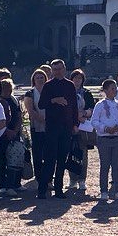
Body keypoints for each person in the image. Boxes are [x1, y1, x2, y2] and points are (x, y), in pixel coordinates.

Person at [37, 60, 78, 199]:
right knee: (49, 160)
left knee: (62, 160)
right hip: (52, 128)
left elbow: (74, 106)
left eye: (59, 69)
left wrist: (75, 124)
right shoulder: (48, 85)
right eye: (54, 70)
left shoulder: (70, 85)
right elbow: (41, 104)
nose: (57, 72)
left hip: (66, 127)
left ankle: (59, 189)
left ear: (64, 69)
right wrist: (54, 100)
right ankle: (42, 189)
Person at [92, 79, 118, 200]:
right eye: (112, 88)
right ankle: (103, 191)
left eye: (115, 88)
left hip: (117, 137)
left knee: (117, 165)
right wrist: (105, 128)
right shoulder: (100, 105)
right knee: (105, 165)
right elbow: (94, 121)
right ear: (106, 90)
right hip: (104, 138)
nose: (115, 90)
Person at [0, 77, 23, 198]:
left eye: (9, 87)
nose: (7, 90)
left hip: (13, 134)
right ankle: (1, 185)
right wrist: (6, 130)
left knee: (14, 160)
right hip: (2, 134)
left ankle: (13, 184)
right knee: (1, 160)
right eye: (5, 87)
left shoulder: (14, 100)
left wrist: (15, 131)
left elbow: (18, 116)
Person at [23, 68, 48, 185]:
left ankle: (49, 178)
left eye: (41, 77)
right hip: (36, 127)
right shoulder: (30, 93)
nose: (39, 79)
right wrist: (43, 120)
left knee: (49, 153)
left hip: (50, 127)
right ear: (33, 79)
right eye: (37, 77)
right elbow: (31, 111)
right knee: (37, 153)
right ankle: (39, 177)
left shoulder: (50, 91)